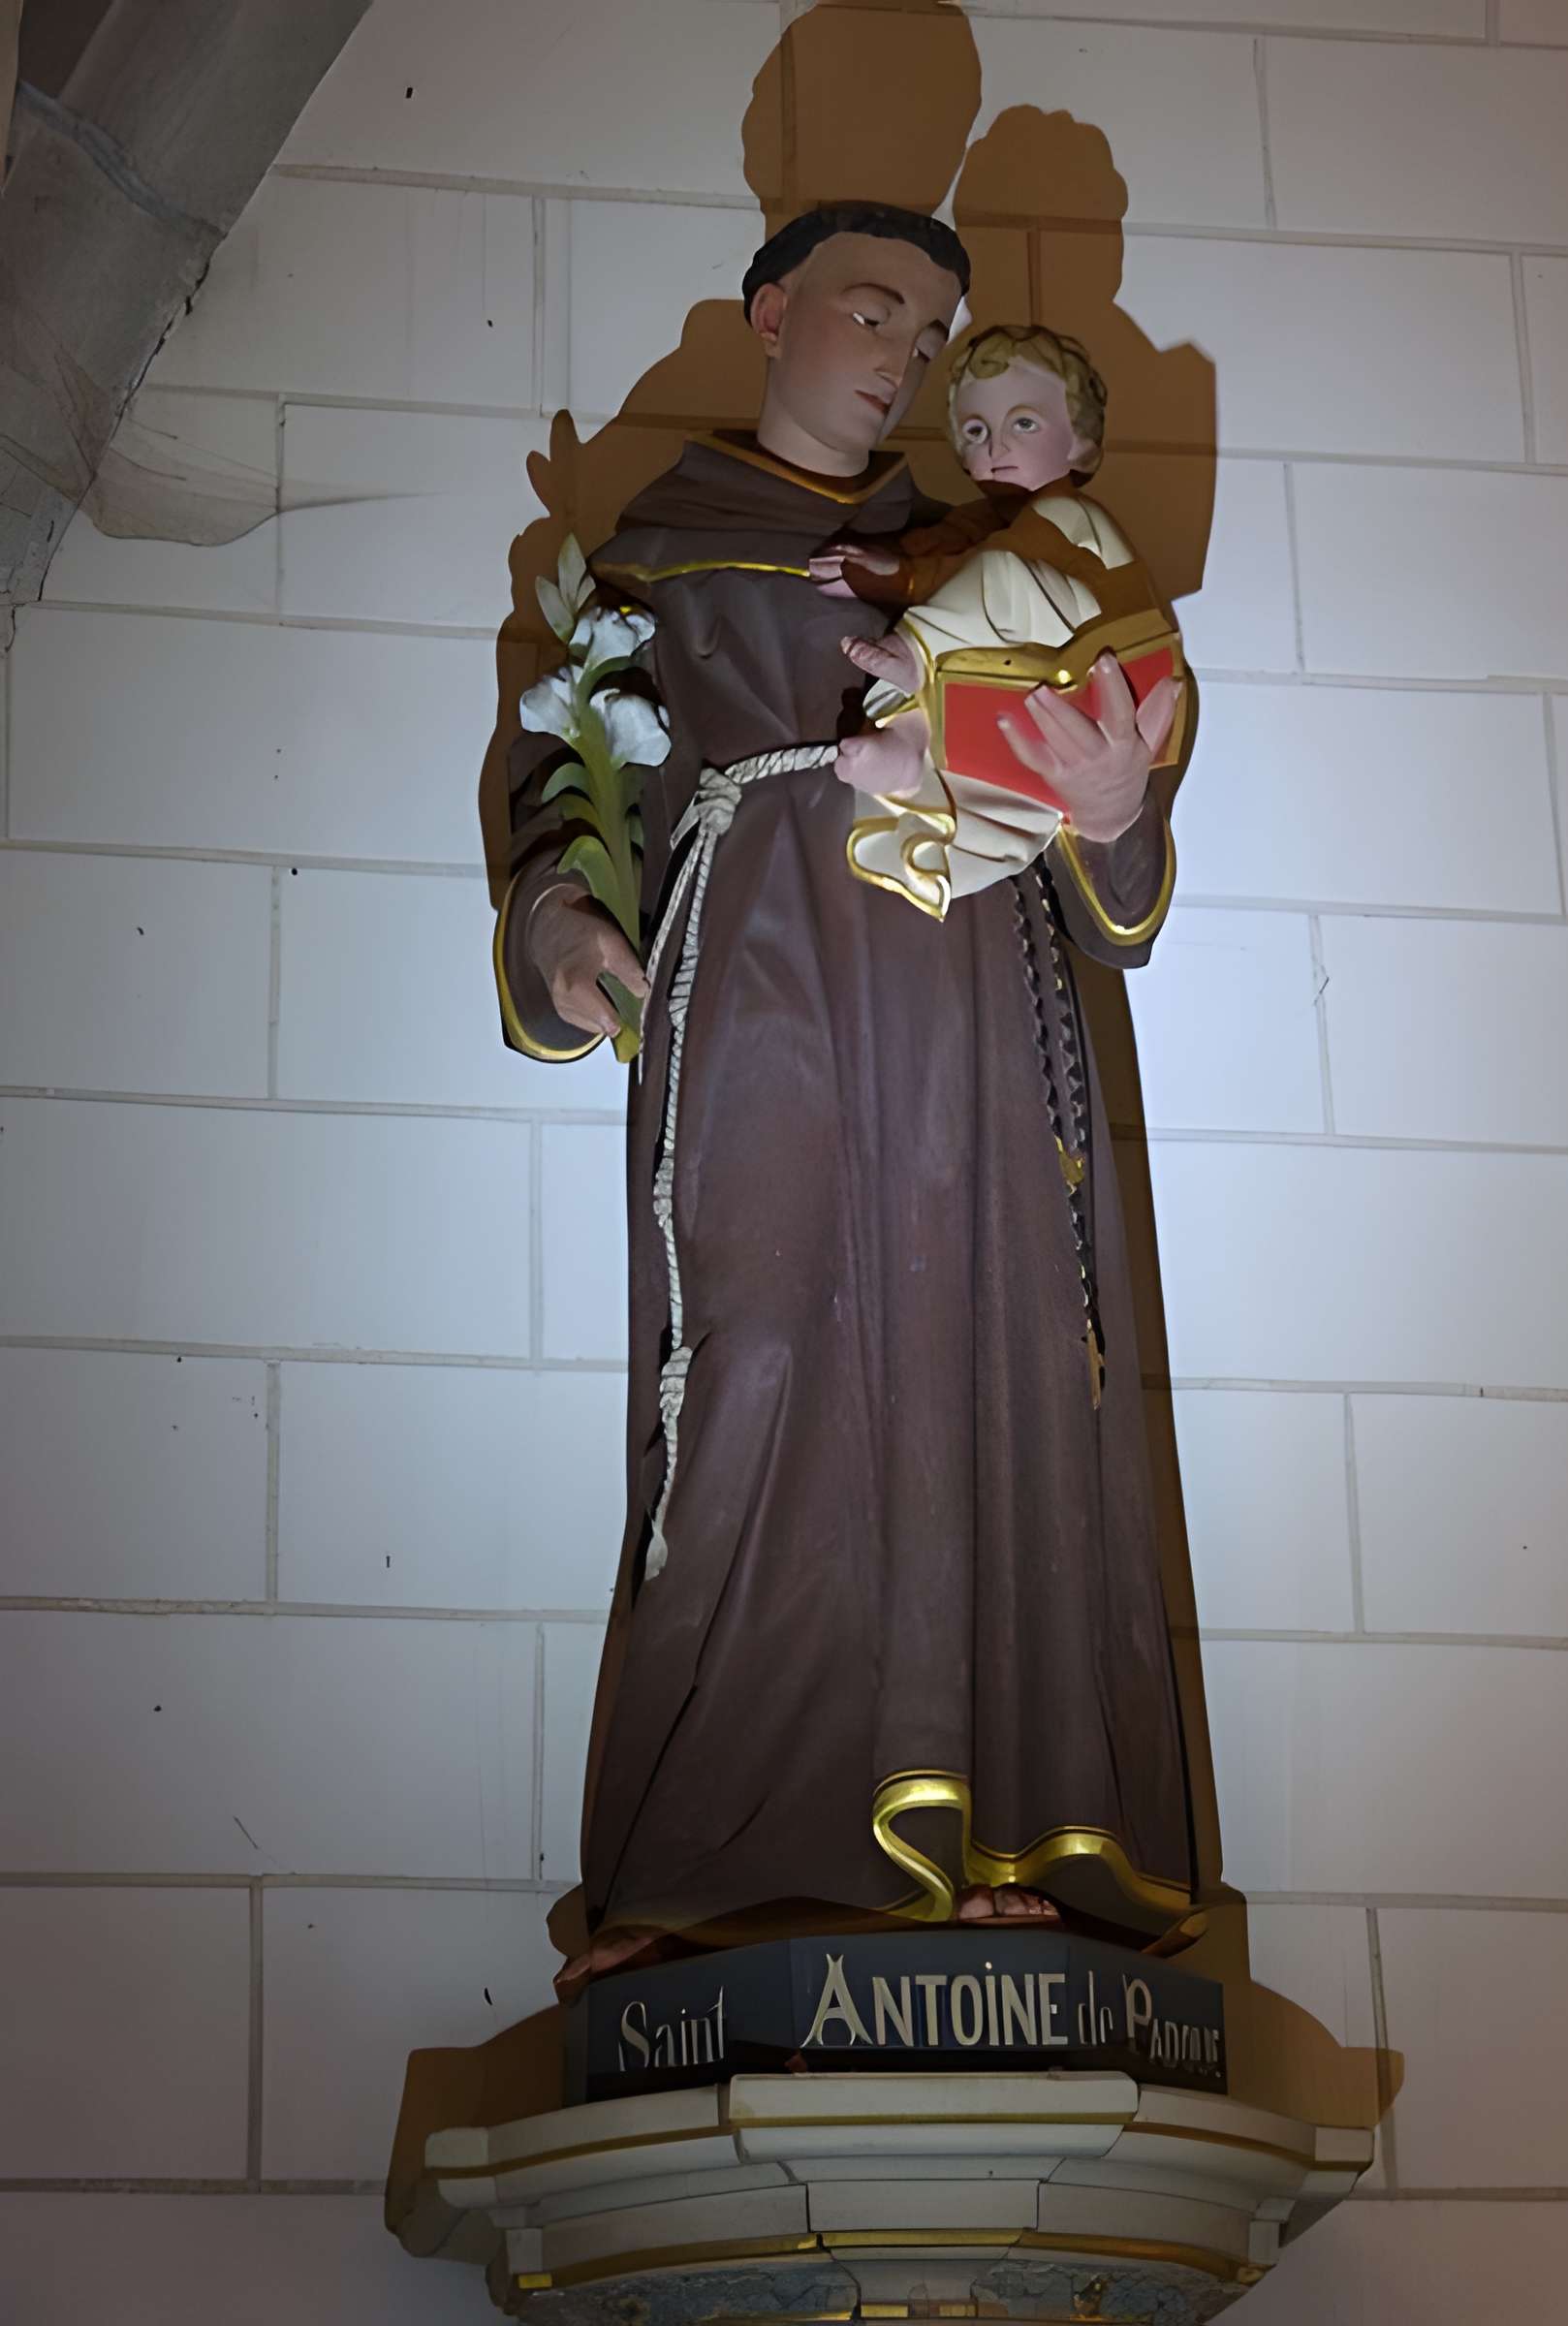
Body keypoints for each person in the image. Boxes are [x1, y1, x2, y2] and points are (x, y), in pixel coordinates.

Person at [492, 203, 1200, 1989]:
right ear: (773, 312)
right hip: (760, 998)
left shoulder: (983, 549)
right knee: (753, 1368)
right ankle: (702, 1858)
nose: (902, 356)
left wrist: (1117, 814)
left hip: (967, 992)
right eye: (874, 313)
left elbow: (1102, 836)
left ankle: (972, 1832)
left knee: (978, 1361)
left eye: (934, 331)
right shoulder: (654, 552)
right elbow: (561, 780)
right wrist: (569, 929)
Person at [814, 323, 1188, 924]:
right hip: (1033, 685)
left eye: (1024, 424)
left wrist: (903, 579)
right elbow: (936, 547)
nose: (996, 447)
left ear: (1081, 444)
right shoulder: (976, 521)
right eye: (976, 431)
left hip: (1098, 658)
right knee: (999, 791)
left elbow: (973, 565)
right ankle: (910, 753)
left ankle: (913, 656)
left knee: (1000, 580)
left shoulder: (1066, 512)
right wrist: (889, 566)